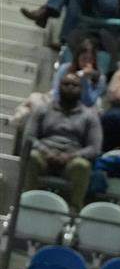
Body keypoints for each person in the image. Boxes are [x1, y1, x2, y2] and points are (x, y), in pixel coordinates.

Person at [21, 72, 102, 211]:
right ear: (59, 86)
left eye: (75, 85)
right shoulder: (42, 109)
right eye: (66, 84)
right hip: (44, 156)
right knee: (32, 156)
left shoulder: (90, 115)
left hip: (72, 161)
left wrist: (71, 156)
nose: (70, 87)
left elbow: (94, 148)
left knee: (82, 165)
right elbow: (28, 137)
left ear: (81, 89)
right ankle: (26, 204)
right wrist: (46, 152)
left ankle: (73, 212)